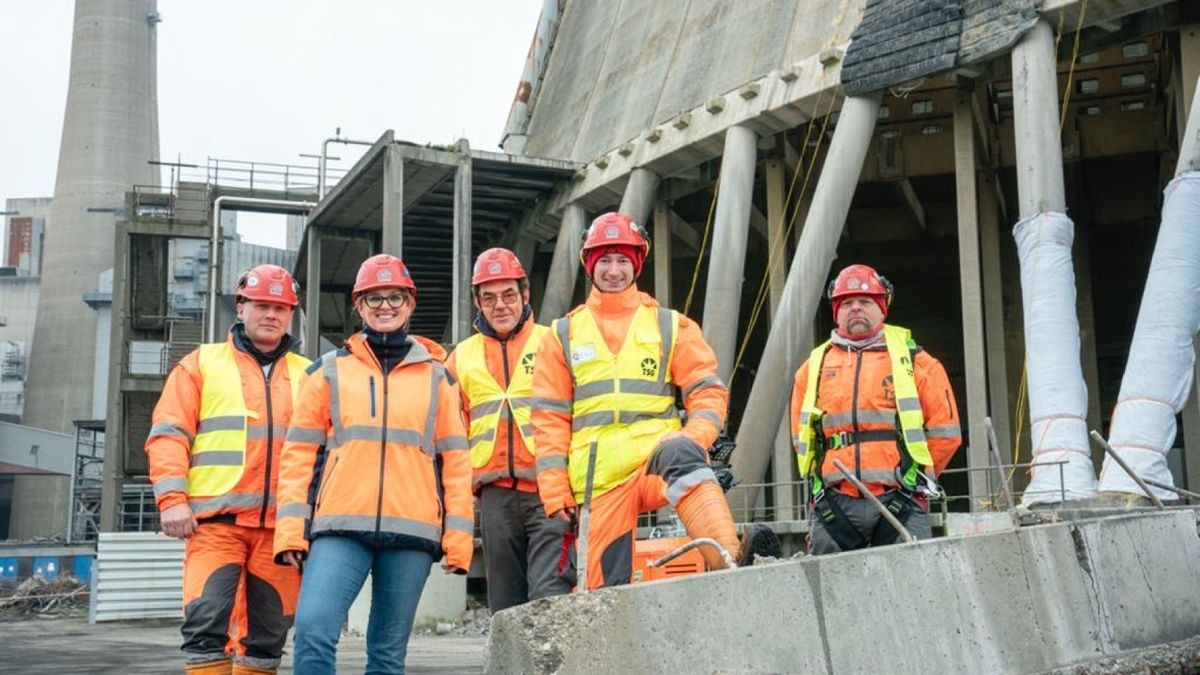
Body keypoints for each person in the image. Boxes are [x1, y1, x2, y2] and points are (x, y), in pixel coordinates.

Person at [532, 211, 777, 590]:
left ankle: (730, 562)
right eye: (606, 261)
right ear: (589, 265)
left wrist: (694, 437)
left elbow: (706, 390)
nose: (614, 271)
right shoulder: (561, 335)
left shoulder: (669, 324)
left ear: (636, 264)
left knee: (683, 454)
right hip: (598, 481)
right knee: (604, 594)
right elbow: (548, 419)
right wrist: (554, 490)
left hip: (654, 461)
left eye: (622, 261)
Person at [274, 253, 473, 673]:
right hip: (339, 527)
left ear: (410, 303)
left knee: (386, 655)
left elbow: (455, 463)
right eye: (374, 298)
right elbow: (297, 458)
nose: (385, 306)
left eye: (395, 298)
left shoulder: (439, 378)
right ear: (359, 306)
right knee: (312, 631)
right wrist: (291, 531)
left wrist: (457, 538)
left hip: (412, 531)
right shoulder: (327, 373)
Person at [145, 264, 310, 675]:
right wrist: (171, 500)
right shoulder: (200, 365)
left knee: (269, 636)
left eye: (281, 307)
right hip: (214, 524)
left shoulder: (310, 375)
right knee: (205, 626)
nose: (271, 315)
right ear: (241, 307)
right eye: (261, 305)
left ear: (292, 314)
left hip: (280, 529)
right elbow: (168, 435)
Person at [790, 264, 962, 554]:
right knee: (834, 595)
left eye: (865, 301)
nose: (856, 308)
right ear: (836, 312)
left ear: (882, 309)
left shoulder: (917, 363)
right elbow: (801, 437)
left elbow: (946, 433)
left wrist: (914, 479)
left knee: (913, 592)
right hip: (834, 505)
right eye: (847, 303)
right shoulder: (812, 368)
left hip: (901, 499)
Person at [446, 248, 573, 612]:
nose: (499, 305)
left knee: (551, 599)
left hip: (550, 493)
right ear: (477, 302)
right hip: (494, 498)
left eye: (508, 295)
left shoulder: (555, 342)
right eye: (489, 297)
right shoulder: (461, 357)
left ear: (525, 295)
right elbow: (452, 433)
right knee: (505, 608)